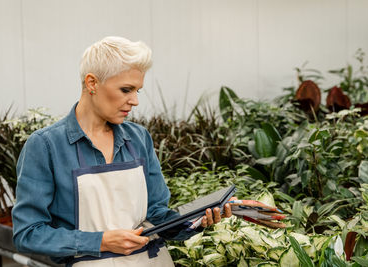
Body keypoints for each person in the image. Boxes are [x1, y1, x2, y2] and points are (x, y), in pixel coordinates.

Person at [12, 36, 233, 267]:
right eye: (126, 89)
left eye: (138, 90)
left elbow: (157, 214)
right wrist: (100, 242)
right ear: (92, 83)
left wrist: (195, 221)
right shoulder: (46, 146)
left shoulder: (138, 138)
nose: (135, 101)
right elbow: (28, 233)